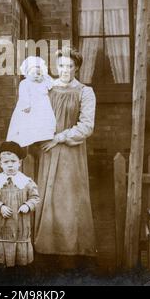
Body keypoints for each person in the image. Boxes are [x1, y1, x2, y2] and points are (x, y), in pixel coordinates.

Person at [34, 47, 96, 263]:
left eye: (70, 66)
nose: (65, 70)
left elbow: (86, 127)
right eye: (61, 65)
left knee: (68, 200)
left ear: (76, 67)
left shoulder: (85, 92)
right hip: (48, 151)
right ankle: (46, 250)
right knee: (48, 197)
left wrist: (59, 138)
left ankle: (71, 253)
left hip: (71, 152)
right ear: (55, 66)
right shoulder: (47, 89)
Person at [0, 141, 40, 267]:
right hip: (3, 224)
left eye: (13, 161)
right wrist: (0, 206)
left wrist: (27, 205)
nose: (10, 165)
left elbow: (35, 198)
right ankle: (3, 268)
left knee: (21, 258)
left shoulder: (27, 182)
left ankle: (20, 269)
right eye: (6, 162)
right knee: (2, 256)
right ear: (0, 164)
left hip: (21, 224)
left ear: (20, 162)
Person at [6, 56, 56, 148]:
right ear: (26, 73)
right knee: (29, 123)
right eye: (33, 73)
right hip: (31, 107)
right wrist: (26, 105)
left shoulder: (44, 82)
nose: (36, 76)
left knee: (43, 122)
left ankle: (43, 135)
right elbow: (23, 95)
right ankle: (29, 137)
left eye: (39, 73)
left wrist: (45, 77)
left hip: (43, 107)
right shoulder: (25, 83)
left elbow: (52, 84)